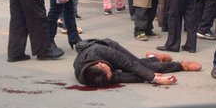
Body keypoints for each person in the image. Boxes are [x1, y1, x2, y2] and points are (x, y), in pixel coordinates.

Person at [73, 39, 201, 88]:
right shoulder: (91, 77)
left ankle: (182, 65)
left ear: (100, 64)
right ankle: (154, 57)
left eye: (109, 71)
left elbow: (130, 65)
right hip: (100, 61)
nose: (111, 72)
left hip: (110, 48)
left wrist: (154, 77)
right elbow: (125, 77)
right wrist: (153, 78)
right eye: (109, 74)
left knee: (141, 65)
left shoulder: (100, 51)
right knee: (144, 70)